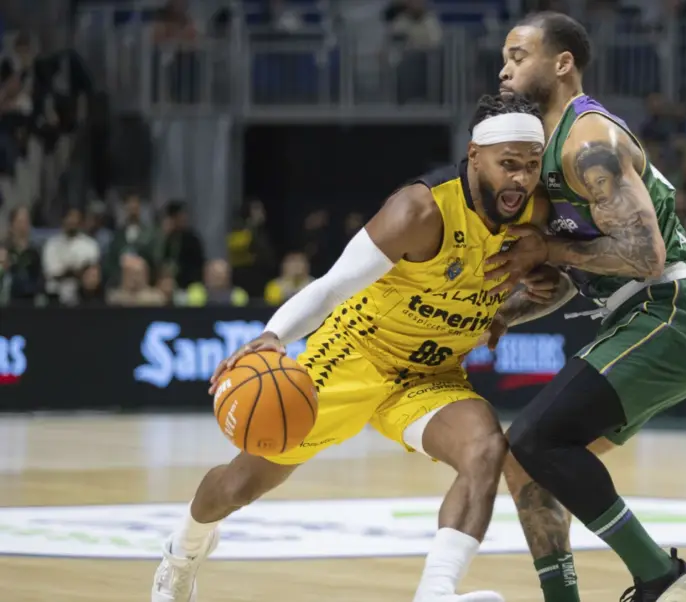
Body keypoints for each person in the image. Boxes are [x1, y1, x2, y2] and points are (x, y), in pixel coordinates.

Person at [151, 94, 556, 602]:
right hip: (354, 355)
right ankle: (183, 549)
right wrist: (274, 335)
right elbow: (332, 285)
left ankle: (435, 593)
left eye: (532, 166)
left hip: (432, 375)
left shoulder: (538, 212)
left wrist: (508, 311)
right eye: (508, 164)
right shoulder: (419, 210)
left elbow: (561, 282)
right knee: (239, 485)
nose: (521, 178)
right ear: (475, 154)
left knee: (487, 448)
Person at [487, 11, 686, 602]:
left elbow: (644, 254)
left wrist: (549, 248)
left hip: (672, 311)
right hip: (637, 314)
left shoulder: (588, 141)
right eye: (504, 59)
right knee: (525, 461)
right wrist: (504, 314)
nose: (504, 70)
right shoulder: (549, 151)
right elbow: (585, 266)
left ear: (562, 63)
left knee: (536, 437)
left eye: (518, 56)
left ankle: (661, 576)